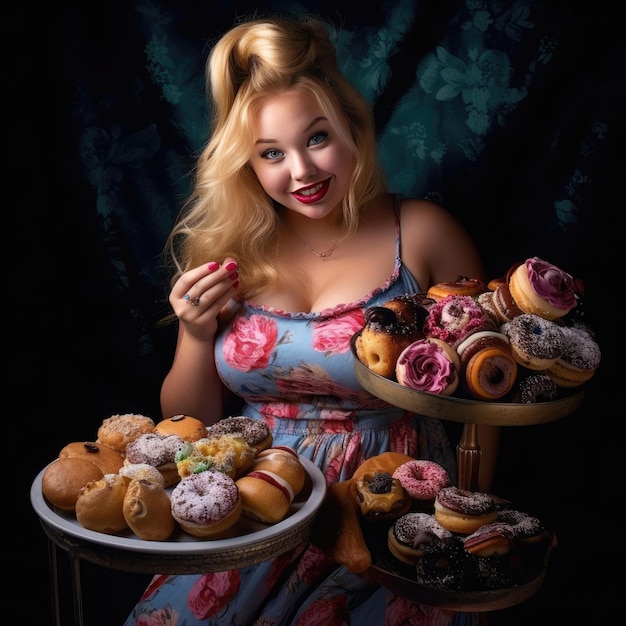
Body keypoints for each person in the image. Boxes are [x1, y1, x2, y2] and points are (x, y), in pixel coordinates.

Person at [124, 15, 498, 625]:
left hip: (391, 512)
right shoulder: (232, 250)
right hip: (253, 505)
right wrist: (194, 334)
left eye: (317, 138)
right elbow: (187, 423)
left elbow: (484, 400)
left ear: (352, 127)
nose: (300, 171)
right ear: (247, 163)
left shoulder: (424, 233)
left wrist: (473, 521)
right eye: (272, 153)